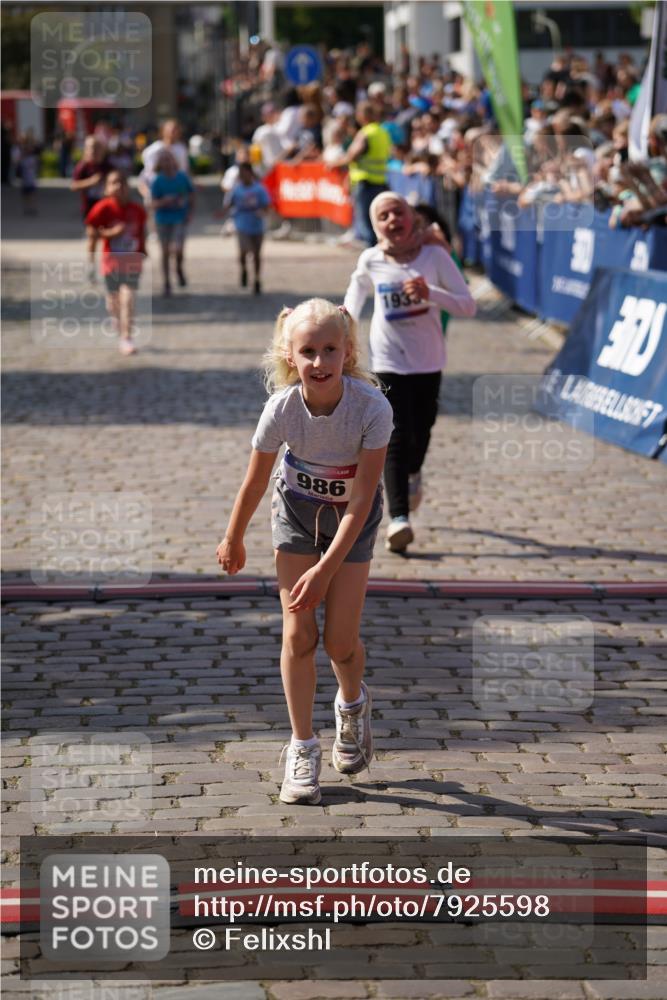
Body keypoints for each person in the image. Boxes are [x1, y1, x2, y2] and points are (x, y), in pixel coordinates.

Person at [216, 298, 393, 805]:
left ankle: (353, 704)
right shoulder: (282, 409)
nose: (319, 362)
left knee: (340, 643)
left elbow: (361, 501)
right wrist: (233, 536)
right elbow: (254, 482)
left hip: (350, 524)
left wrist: (324, 569)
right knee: (298, 634)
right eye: (308, 351)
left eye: (330, 350)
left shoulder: (372, 409)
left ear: (348, 352)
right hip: (294, 513)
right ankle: (301, 747)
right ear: (290, 356)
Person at [344, 192, 476, 552]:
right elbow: (351, 304)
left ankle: (414, 473)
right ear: (375, 225)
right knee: (395, 435)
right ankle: (399, 518)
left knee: (421, 431)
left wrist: (430, 292)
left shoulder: (435, 255)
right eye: (383, 215)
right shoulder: (370, 260)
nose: (392, 220)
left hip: (429, 360)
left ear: (411, 218)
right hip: (386, 360)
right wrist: (339, 330)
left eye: (397, 212)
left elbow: (467, 305)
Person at [85, 171, 147, 356]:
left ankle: (126, 337)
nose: (118, 186)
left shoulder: (138, 210)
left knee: (128, 298)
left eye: (122, 183)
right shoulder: (102, 209)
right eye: (113, 183)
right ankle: (117, 320)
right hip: (110, 261)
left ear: (128, 187)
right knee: (113, 302)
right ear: (106, 189)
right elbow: (92, 234)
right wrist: (111, 234)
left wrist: (144, 251)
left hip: (132, 261)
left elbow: (141, 233)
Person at [329, 101, 392, 246]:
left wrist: (334, 164)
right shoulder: (382, 132)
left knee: (366, 224)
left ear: (364, 115)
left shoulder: (365, 133)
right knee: (378, 222)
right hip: (380, 181)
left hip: (365, 183)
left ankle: (372, 257)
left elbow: (352, 156)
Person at [150, 148, 195, 296]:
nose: (167, 163)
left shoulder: (182, 177)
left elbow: (191, 194)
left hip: (179, 218)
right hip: (163, 219)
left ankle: (179, 268)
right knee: (164, 252)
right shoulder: (157, 180)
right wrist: (164, 201)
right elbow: (152, 203)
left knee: (178, 249)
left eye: (169, 159)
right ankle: (167, 281)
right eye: (163, 160)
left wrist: (190, 212)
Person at [221, 161, 270, 295]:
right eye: (241, 173)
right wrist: (223, 214)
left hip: (257, 224)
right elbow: (229, 204)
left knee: (256, 254)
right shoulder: (236, 189)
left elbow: (266, 206)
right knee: (245, 250)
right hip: (241, 223)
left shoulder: (259, 189)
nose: (243, 176)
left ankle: (257, 279)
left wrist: (262, 212)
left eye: (245, 173)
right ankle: (243, 269)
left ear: (250, 173)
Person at [71, 136, 113, 282]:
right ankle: (91, 265)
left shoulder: (108, 166)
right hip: (90, 208)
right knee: (92, 237)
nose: (93, 151)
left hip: (107, 208)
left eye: (96, 147)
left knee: (109, 237)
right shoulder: (83, 166)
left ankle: (109, 266)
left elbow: (117, 180)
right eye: (90, 147)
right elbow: (74, 186)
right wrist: (90, 182)